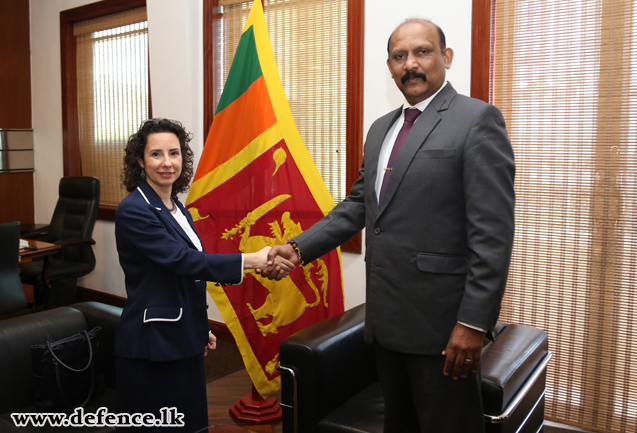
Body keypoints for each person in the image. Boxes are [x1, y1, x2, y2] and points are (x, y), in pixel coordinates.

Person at [262, 19, 515, 432]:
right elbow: (360, 205)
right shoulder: (382, 129)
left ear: (446, 58)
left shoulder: (477, 120)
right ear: (390, 65)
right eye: (400, 56)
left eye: (422, 52)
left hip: (442, 327)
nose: (410, 65)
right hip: (385, 321)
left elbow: (493, 235)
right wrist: (299, 247)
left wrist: (472, 323)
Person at [114, 118, 293, 431]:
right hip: (154, 342)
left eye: (174, 153)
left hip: (180, 332)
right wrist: (254, 258)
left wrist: (197, 325)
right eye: (156, 154)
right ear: (140, 161)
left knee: (189, 420)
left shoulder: (175, 207)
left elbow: (187, 274)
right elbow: (184, 262)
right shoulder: (134, 209)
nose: (167, 163)